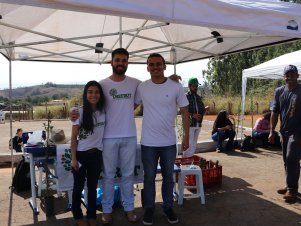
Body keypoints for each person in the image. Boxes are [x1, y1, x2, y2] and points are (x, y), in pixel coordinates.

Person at [70, 48, 140, 224]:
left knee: (128, 175)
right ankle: (107, 210)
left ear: (127, 63)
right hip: (107, 139)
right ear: (111, 62)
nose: (120, 63)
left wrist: (170, 80)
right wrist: (73, 114)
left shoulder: (135, 83)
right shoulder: (102, 85)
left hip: (129, 136)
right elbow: (89, 103)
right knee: (108, 176)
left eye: (124, 60)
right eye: (117, 60)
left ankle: (129, 209)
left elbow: (153, 86)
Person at [135, 53, 189, 225]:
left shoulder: (176, 87)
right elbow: (130, 106)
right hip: (148, 143)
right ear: (147, 67)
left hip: (168, 143)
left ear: (164, 66)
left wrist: (186, 136)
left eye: (158, 64)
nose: (155, 67)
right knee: (148, 177)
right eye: (151, 64)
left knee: (168, 177)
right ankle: (149, 209)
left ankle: (167, 207)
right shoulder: (142, 87)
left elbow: (185, 111)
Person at [71, 81, 106, 226]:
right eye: (90, 92)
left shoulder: (104, 111)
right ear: (86, 95)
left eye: (96, 92)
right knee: (78, 187)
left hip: (97, 155)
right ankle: (78, 217)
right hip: (81, 155)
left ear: (100, 95)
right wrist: (73, 159)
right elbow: (73, 138)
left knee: (92, 187)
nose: (93, 95)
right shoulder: (79, 112)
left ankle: (91, 216)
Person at [269, 64, 301, 203]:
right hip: (284, 132)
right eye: (287, 75)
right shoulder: (279, 91)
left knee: (291, 158)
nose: (290, 77)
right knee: (286, 161)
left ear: (297, 76)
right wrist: (271, 131)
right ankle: (290, 185)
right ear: (284, 77)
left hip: (298, 132)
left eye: (292, 74)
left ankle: (292, 190)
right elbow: (274, 112)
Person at [184, 77, 209, 157]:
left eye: (197, 86)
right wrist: (192, 115)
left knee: (194, 143)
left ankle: (190, 159)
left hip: (198, 124)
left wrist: (205, 109)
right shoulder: (186, 97)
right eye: (194, 86)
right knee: (189, 143)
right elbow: (182, 111)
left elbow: (201, 110)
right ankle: (185, 160)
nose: (196, 88)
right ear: (189, 86)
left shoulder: (198, 97)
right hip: (190, 124)